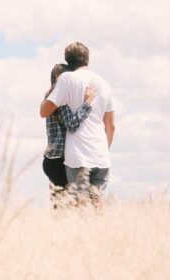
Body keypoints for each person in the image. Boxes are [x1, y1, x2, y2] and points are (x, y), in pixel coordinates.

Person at [40, 42, 116, 206]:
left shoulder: (66, 80)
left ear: (68, 61)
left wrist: (86, 104)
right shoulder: (104, 83)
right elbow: (111, 126)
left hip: (78, 157)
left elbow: (45, 112)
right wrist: (103, 148)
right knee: (97, 205)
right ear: (88, 58)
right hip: (101, 156)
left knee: (77, 208)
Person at [42, 63, 96, 208]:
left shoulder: (51, 98)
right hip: (60, 160)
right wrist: (87, 103)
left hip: (52, 159)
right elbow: (72, 124)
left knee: (59, 207)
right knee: (70, 207)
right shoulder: (61, 100)